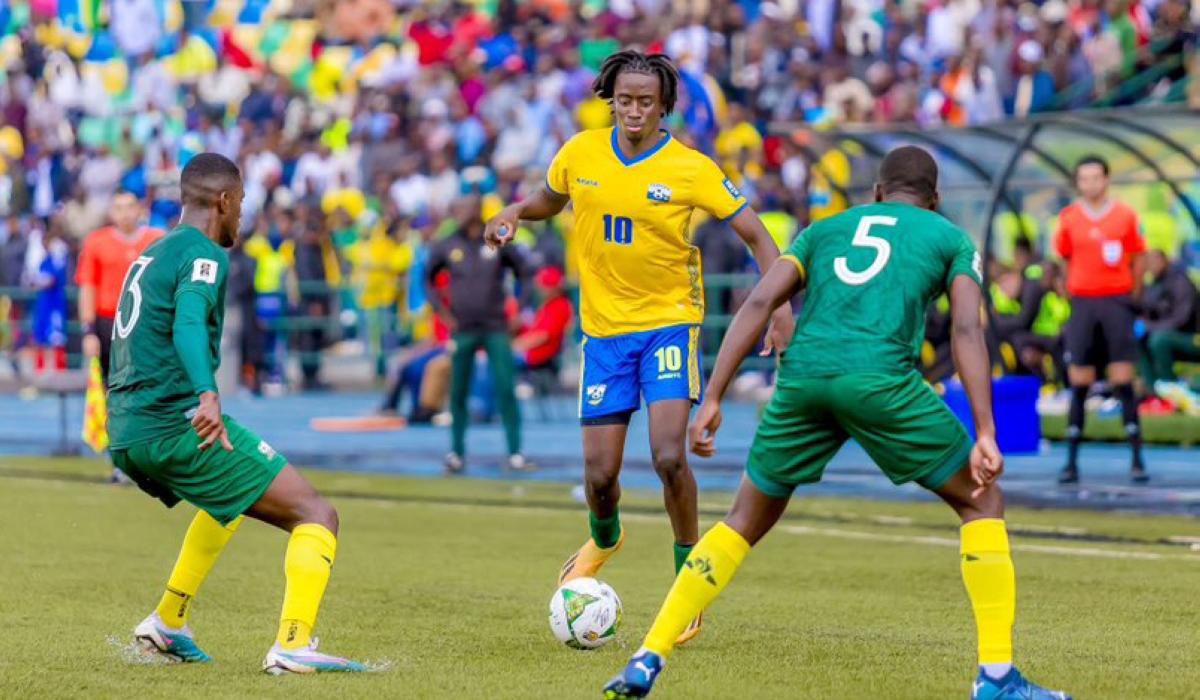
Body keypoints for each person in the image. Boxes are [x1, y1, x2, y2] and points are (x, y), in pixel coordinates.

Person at [603, 146, 1072, 700]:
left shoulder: (823, 231)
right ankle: (996, 677)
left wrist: (711, 397)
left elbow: (759, 303)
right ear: (935, 200)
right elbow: (968, 332)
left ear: (875, 192)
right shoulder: (949, 238)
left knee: (741, 522)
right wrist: (987, 433)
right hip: (880, 381)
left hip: (803, 380)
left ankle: (647, 656)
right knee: (981, 501)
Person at [485, 49, 794, 646]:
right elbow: (552, 200)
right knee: (600, 476)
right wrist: (517, 212)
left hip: (669, 325)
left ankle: (688, 582)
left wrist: (779, 306)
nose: (633, 110)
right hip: (603, 334)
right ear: (611, 99)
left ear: (664, 106)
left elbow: (757, 235)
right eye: (624, 100)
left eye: (645, 102)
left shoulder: (690, 167)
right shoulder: (580, 152)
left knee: (668, 457)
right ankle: (605, 538)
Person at [106, 153, 364, 674]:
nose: (242, 215)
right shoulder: (205, 254)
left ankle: (167, 622)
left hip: (129, 429)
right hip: (173, 423)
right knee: (317, 514)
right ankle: (294, 644)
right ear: (224, 201)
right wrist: (207, 394)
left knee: (227, 499)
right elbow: (185, 324)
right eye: (241, 203)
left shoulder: (154, 253)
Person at [1054, 155, 1148, 485]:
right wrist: (1073, 291)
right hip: (1083, 303)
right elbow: (1064, 259)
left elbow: (1139, 257)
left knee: (1123, 378)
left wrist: (1131, 296)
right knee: (1079, 379)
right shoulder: (1068, 218)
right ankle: (1071, 462)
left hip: (1116, 302)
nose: (1090, 183)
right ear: (1078, 182)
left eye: (1096, 177)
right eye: (1084, 178)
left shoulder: (1125, 216)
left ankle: (1137, 459)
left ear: (1107, 180)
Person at [431, 194, 532, 473]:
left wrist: (519, 310)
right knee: (458, 391)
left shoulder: (497, 238)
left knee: (505, 387)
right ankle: (456, 452)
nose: (462, 212)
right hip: (463, 328)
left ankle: (515, 451)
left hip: (495, 326)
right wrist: (442, 313)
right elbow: (427, 278)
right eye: (458, 207)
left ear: (478, 209)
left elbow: (525, 272)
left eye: (467, 207)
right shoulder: (447, 243)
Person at [76, 192, 164, 482]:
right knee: (114, 394)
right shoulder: (97, 242)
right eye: (118, 208)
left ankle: (152, 458)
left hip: (146, 323)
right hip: (108, 323)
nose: (125, 213)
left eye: (130, 207)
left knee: (149, 391)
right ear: (111, 212)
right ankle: (120, 460)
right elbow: (87, 286)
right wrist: (88, 330)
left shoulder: (157, 239)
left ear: (140, 210)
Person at [1138, 249, 1200, 407]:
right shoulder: (1154, 284)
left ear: (1164, 261)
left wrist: (1150, 327)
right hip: (1167, 335)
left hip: (1192, 337)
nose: (1151, 266)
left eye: (1154, 261)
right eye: (1148, 263)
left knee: (1159, 340)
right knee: (1140, 339)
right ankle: (1153, 395)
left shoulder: (1180, 281)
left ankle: (1171, 393)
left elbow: (1182, 319)